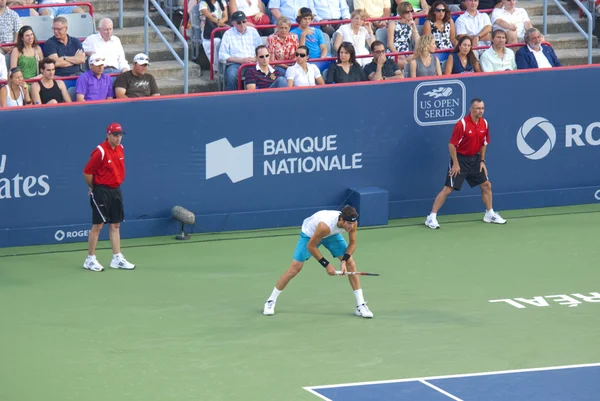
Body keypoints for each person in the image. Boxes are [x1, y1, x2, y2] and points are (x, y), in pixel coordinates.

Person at [262, 206, 374, 318]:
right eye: (348, 223)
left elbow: (353, 243)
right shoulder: (324, 225)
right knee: (295, 268)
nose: (350, 226)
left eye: (352, 223)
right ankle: (270, 300)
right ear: (341, 220)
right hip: (310, 236)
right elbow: (311, 246)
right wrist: (326, 264)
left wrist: (344, 261)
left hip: (332, 235)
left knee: (351, 263)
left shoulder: (353, 223)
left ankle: (360, 305)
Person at [425, 98, 507, 230]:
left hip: (475, 160)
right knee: (448, 189)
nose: (481, 111)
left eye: (482, 108)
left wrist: (481, 161)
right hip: (460, 159)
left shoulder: (484, 124)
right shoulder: (462, 124)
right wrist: (456, 164)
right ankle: (431, 217)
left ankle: (489, 214)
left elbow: (484, 143)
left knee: (486, 185)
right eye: (478, 108)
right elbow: (452, 145)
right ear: (471, 109)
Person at [83, 122, 136, 272]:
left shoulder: (121, 149)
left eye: (120, 135)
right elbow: (87, 172)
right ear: (108, 135)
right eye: (115, 135)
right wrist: (93, 188)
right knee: (98, 225)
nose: (118, 138)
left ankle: (117, 258)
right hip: (101, 191)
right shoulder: (100, 151)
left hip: (116, 190)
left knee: (115, 225)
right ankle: (90, 259)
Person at [218, 11, 262, 91]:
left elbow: (261, 49)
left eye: (244, 21)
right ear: (233, 23)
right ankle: (231, 100)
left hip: (253, 62)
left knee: (263, 73)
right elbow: (222, 55)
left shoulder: (253, 31)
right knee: (231, 76)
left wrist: (255, 58)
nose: (242, 24)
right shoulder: (228, 34)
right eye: (239, 22)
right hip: (235, 64)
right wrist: (240, 60)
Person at [387, 2, 419, 69]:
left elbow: (418, 42)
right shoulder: (393, 24)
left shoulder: (411, 24)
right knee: (407, 64)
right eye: (407, 12)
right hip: (394, 53)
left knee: (418, 58)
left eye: (411, 11)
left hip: (406, 54)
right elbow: (390, 44)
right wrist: (398, 54)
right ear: (402, 13)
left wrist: (414, 28)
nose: (410, 14)